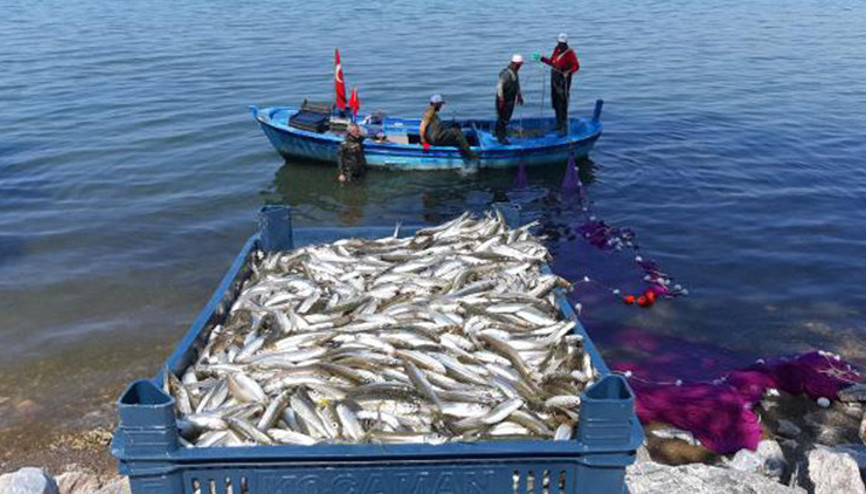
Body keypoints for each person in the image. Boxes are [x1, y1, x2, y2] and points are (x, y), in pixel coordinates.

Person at [540, 33, 580, 135]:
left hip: (564, 80)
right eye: (559, 43)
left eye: (562, 43)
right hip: (555, 79)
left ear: (566, 43)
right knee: (556, 102)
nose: (560, 45)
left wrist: (568, 71)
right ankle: (558, 124)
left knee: (563, 102)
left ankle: (564, 126)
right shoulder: (556, 50)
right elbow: (553, 63)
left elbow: (576, 66)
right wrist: (542, 59)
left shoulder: (570, 53)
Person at [420, 94, 478, 161]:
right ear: (437, 104)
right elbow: (422, 127)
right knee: (457, 132)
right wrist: (424, 142)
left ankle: (461, 146)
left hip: (435, 136)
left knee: (454, 127)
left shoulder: (431, 111)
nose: (441, 106)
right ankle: (471, 155)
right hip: (436, 139)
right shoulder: (430, 113)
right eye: (440, 104)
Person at [495, 54, 524, 145]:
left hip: (510, 99)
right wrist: (501, 99)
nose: (520, 67)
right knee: (502, 118)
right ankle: (501, 138)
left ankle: (500, 133)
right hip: (504, 100)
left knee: (506, 118)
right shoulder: (506, 73)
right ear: (515, 64)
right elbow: (499, 86)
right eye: (519, 65)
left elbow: (516, 84)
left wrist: (519, 95)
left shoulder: (514, 72)